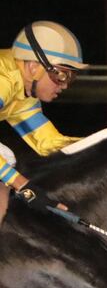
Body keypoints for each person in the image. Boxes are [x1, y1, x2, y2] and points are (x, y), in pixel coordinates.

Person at [0, 20, 87, 224]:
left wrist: (105, 142)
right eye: (60, 74)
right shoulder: (3, 79)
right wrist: (22, 185)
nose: (64, 85)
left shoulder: (23, 91)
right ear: (33, 67)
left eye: (70, 76)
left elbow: (48, 144)